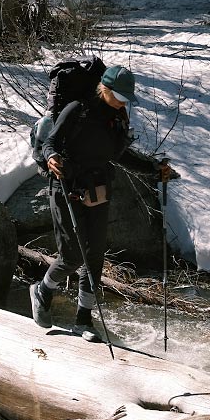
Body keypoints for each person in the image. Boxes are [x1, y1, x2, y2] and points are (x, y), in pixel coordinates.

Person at [29, 64, 137, 337]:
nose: (124, 103)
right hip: (66, 186)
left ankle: (83, 320)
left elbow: (120, 154)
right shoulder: (78, 109)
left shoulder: (117, 118)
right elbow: (50, 143)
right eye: (120, 97)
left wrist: (156, 168)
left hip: (98, 187)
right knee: (72, 255)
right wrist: (52, 158)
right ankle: (42, 291)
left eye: (127, 99)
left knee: (95, 257)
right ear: (106, 88)